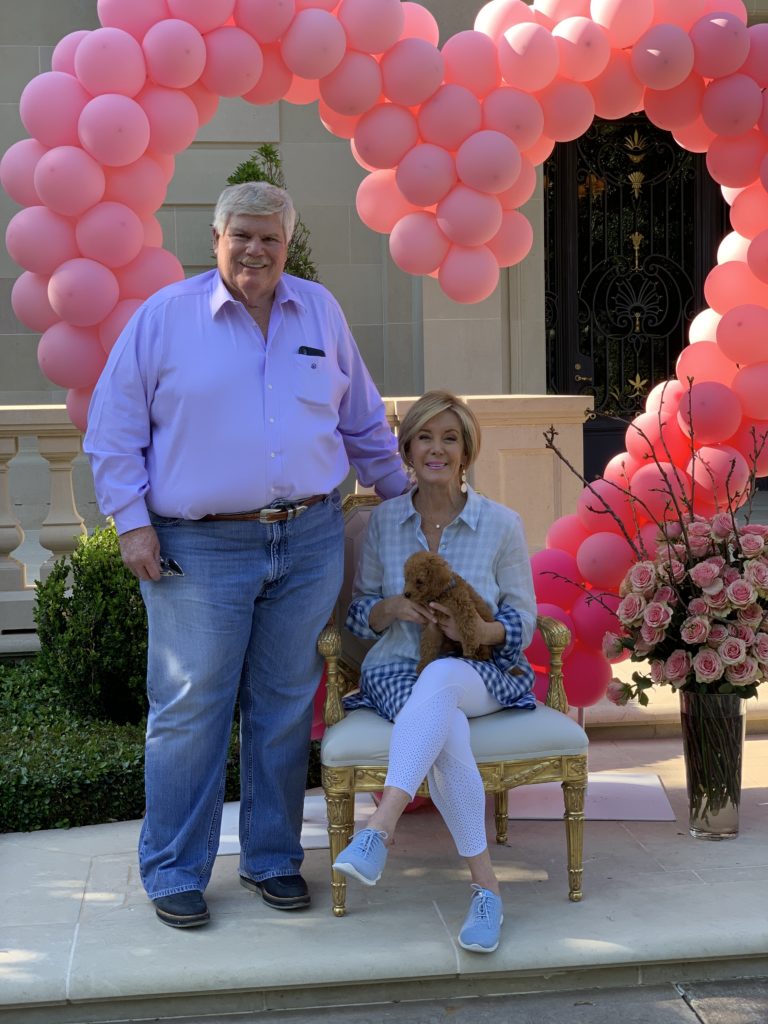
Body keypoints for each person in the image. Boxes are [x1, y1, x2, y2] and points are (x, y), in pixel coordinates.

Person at [84, 181, 408, 929]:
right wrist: (132, 524)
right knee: (191, 708)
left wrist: (412, 503)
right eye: (243, 237)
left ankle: (270, 860)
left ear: (287, 244)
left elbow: (361, 421)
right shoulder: (164, 319)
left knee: (286, 706)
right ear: (216, 240)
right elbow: (114, 430)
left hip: (309, 537)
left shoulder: (319, 312)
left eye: (270, 237)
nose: (256, 250)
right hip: (199, 544)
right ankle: (173, 870)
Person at [332, 391, 537, 954]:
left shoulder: (501, 524)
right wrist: (393, 608)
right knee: (443, 715)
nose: (437, 449)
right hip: (397, 667)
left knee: (443, 680)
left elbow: (524, 619)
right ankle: (487, 890)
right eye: (425, 437)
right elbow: (360, 615)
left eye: (450, 438)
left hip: (480, 667)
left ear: (466, 450)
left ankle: (379, 827)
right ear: (407, 448)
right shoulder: (384, 523)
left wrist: (472, 630)